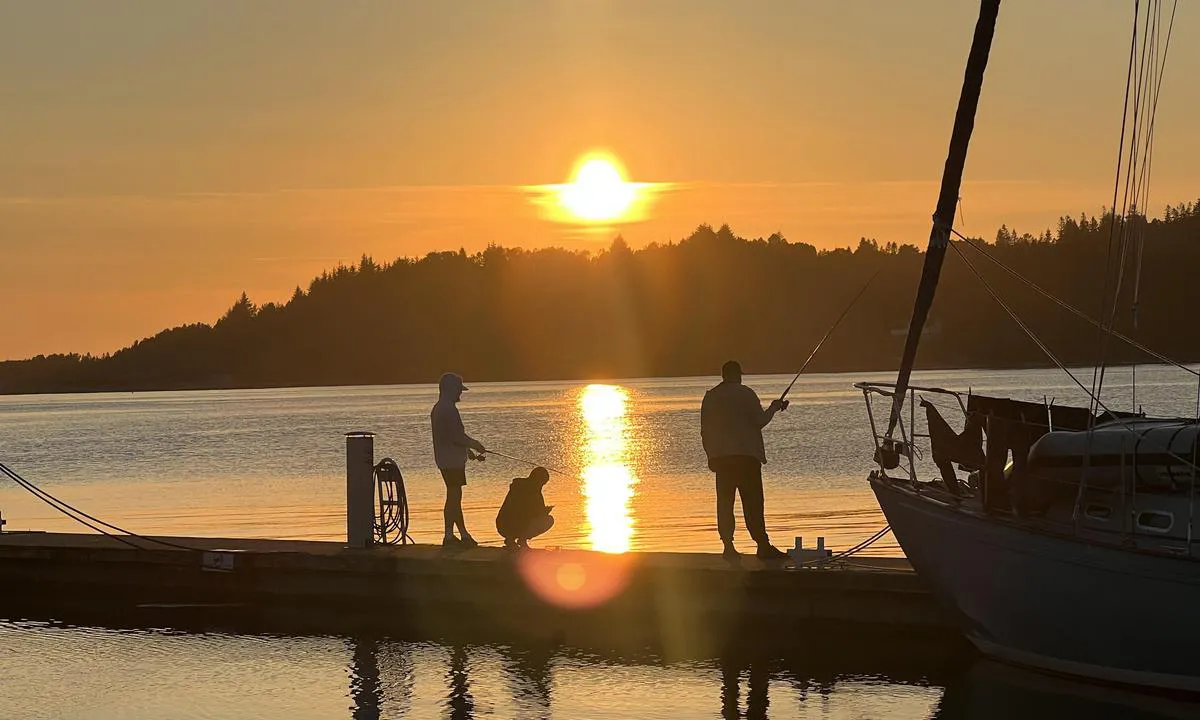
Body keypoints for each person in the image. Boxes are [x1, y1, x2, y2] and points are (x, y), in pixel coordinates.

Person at [700, 360, 789, 559]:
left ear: (723, 375)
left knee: (725, 504)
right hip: (747, 458)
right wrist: (774, 408)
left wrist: (710, 456)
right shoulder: (746, 393)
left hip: (722, 459)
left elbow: (704, 431)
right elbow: (759, 421)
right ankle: (762, 545)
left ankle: (728, 547)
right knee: (753, 503)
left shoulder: (711, 397)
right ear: (737, 374)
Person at [431, 372, 487, 548]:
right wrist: (475, 444)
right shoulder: (449, 409)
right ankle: (451, 535)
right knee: (454, 499)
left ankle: (461, 535)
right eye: (458, 390)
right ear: (451, 390)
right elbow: (457, 436)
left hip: (446, 459)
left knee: (454, 497)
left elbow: (450, 436)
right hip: (452, 461)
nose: (460, 394)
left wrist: (468, 451)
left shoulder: (439, 408)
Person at [495, 466, 555, 550]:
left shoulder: (518, 487)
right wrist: (545, 511)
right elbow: (532, 512)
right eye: (542, 483)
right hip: (512, 525)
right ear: (537, 480)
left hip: (501, 525)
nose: (542, 485)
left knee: (523, 519)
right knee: (548, 520)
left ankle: (511, 539)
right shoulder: (533, 492)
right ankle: (521, 539)